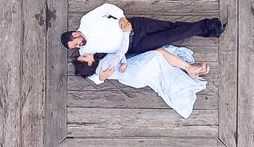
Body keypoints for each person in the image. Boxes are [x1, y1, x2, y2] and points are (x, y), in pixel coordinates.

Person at [60, 3, 224, 76]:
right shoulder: (85, 52)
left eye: (76, 43)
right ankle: (209, 26)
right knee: (172, 36)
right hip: (137, 44)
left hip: (136, 25)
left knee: (171, 26)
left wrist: (121, 17)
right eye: (75, 47)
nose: (79, 47)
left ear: (75, 34)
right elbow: (88, 71)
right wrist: (101, 77)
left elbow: (106, 8)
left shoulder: (87, 20)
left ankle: (209, 30)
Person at [73, 46, 209, 118]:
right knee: (159, 53)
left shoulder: (97, 71)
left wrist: (101, 78)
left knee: (161, 65)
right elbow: (119, 54)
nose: (86, 53)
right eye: (84, 57)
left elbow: (94, 77)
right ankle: (189, 68)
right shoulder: (103, 65)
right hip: (134, 69)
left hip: (133, 79)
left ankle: (183, 67)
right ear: (89, 63)